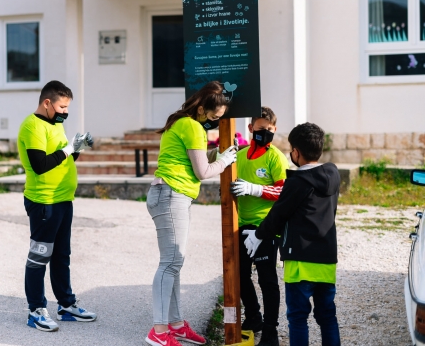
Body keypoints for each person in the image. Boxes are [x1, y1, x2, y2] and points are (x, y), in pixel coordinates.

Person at [145, 81, 238, 346]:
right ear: (202, 109)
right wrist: (224, 160)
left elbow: (190, 158)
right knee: (170, 263)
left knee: (174, 263)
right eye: (214, 117)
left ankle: (174, 324)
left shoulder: (182, 122)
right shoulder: (194, 127)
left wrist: (218, 155)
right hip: (171, 195)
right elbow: (203, 171)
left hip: (169, 194)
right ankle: (159, 332)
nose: (215, 122)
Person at [243, 122, 341, 346]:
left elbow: (278, 215)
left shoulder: (297, 183)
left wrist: (258, 235)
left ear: (296, 152)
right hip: (326, 259)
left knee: (298, 318)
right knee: (327, 316)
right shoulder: (333, 174)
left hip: (299, 261)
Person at [17, 80, 97, 332]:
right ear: (47, 103)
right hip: (44, 202)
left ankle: (66, 306)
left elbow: (62, 157)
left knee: (62, 255)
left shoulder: (54, 124)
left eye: (68, 107)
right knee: (40, 257)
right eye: (62, 107)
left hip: (63, 200)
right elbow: (40, 165)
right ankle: (36, 310)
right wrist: (68, 149)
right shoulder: (32, 126)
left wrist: (78, 147)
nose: (65, 112)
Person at [229, 106, 290, 346]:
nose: (264, 132)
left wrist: (255, 189)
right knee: (241, 277)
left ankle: (271, 330)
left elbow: (285, 191)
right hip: (240, 226)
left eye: (269, 129)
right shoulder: (241, 156)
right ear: (250, 128)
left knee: (267, 279)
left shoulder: (275, 156)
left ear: (274, 130)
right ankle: (254, 316)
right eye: (260, 128)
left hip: (265, 227)